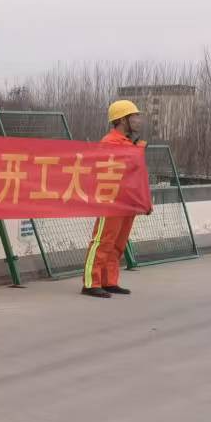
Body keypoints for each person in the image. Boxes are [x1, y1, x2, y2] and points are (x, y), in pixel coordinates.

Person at [81, 99, 145, 299]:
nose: (138, 120)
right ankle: (91, 283)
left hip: (126, 201)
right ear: (122, 119)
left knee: (118, 243)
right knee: (102, 241)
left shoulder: (130, 144)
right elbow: (107, 171)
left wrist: (142, 200)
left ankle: (109, 281)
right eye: (134, 116)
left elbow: (136, 175)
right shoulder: (110, 142)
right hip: (110, 200)